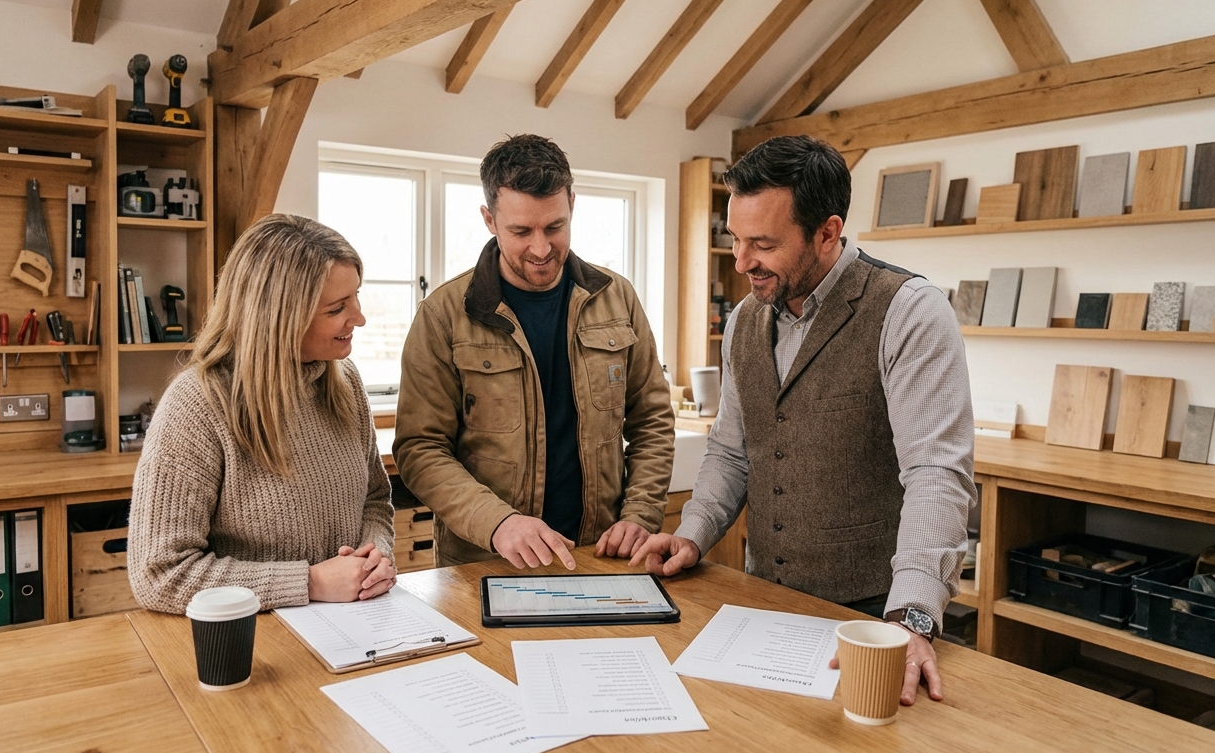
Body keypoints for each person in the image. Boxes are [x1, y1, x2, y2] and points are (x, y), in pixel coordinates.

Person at [631, 135, 975, 707]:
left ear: (827, 232)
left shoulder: (909, 311)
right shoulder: (745, 319)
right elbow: (731, 452)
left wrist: (911, 617)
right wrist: (693, 533)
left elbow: (936, 474)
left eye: (762, 244)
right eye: (735, 241)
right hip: (763, 604)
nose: (742, 263)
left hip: (871, 618)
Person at [394, 134, 675, 570]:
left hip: (601, 556)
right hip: (484, 562)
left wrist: (641, 515)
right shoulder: (444, 314)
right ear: (489, 219)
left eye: (554, 227)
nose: (542, 249)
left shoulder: (617, 298)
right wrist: (499, 522)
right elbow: (420, 448)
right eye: (521, 231)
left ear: (572, 206)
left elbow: (653, 420)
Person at [129, 214, 397, 614]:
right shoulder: (198, 404)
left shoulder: (344, 382)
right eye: (337, 308)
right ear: (279, 317)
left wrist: (375, 555)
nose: (358, 317)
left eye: (356, 297)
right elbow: (160, 575)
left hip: (355, 623)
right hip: (252, 638)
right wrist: (309, 582)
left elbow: (374, 499)